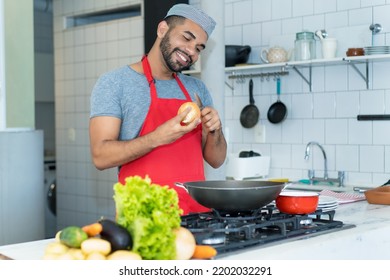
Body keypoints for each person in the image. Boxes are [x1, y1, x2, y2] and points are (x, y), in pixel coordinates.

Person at [89, 4, 227, 215]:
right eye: (186, 38)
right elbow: (100, 156)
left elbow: (216, 160)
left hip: (195, 215)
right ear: (162, 29)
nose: (191, 51)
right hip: (143, 218)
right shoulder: (115, 83)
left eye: (199, 48)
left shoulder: (197, 89)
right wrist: (157, 137)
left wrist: (215, 130)